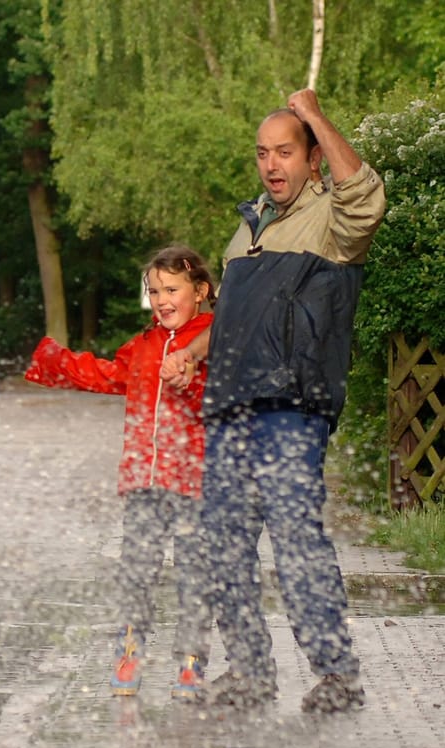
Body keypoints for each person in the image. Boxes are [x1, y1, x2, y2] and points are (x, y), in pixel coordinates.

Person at [161, 89, 386, 713]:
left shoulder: (334, 221)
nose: (272, 164)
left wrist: (314, 114)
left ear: (312, 158)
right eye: (263, 153)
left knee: (295, 538)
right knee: (224, 543)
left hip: (292, 408)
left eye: (286, 152)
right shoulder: (251, 226)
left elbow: (366, 193)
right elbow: (238, 315)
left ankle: (338, 677)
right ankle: (252, 674)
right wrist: (192, 353)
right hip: (233, 407)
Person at [25, 246, 216, 699]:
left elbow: (217, 404)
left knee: (195, 575)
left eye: (172, 289)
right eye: (154, 291)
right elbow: (112, 376)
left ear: (201, 291)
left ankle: (191, 664)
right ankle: (129, 652)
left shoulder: (213, 339)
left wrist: (189, 381)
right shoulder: (145, 345)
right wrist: (59, 364)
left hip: (196, 484)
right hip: (144, 482)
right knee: (137, 572)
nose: (162, 299)